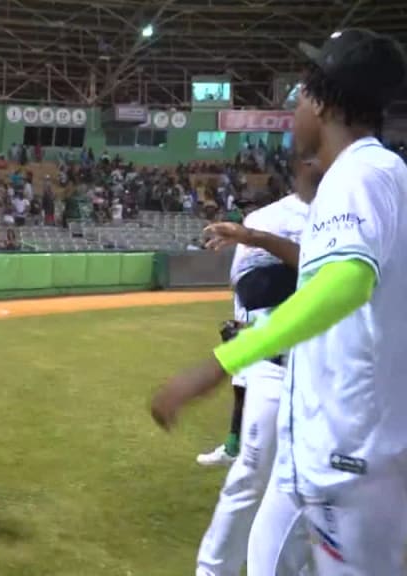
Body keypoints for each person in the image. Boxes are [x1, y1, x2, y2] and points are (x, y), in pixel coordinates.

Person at [152, 29, 407, 575]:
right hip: (322, 442)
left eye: (299, 95)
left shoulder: (360, 173)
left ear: (322, 102)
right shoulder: (379, 174)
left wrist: (223, 362)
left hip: (349, 456)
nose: (293, 110)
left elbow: (346, 282)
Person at [193, 160, 316, 576]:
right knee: (253, 471)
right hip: (276, 362)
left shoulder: (364, 201)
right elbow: (249, 289)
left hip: (330, 368)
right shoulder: (269, 216)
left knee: (310, 485)